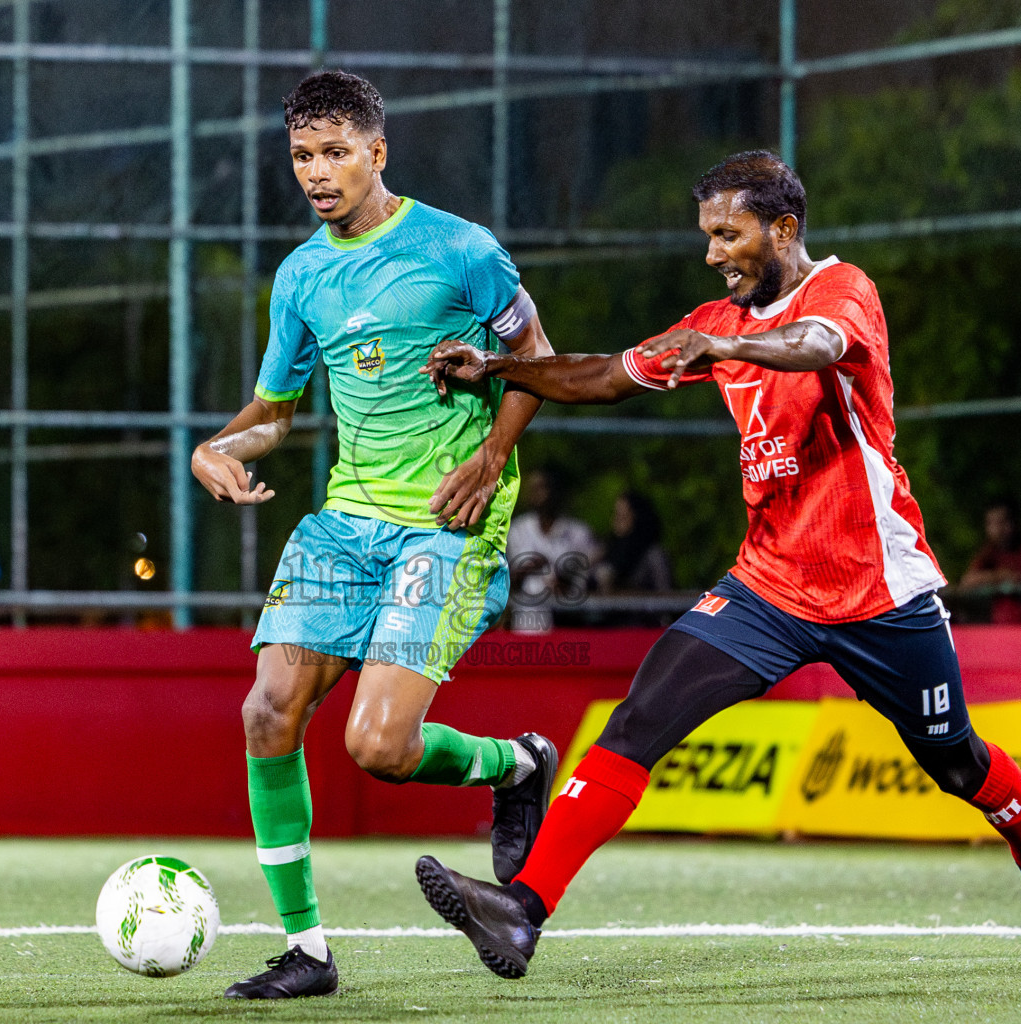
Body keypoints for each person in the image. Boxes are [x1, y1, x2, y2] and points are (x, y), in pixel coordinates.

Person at [416, 150, 1021, 978]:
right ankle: (523, 911)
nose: (712, 254)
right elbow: (598, 374)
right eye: (706, 237)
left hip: (879, 592)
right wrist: (499, 366)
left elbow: (814, 344)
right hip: (767, 587)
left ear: (784, 229)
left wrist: (728, 346)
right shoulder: (716, 323)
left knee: (953, 758)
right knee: (640, 718)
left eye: (727, 235)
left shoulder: (842, 292)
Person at [189, 70, 560, 1000]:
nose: (318, 173)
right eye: (303, 157)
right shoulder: (302, 274)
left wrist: (491, 459)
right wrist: (222, 445)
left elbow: (541, 364)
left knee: (380, 749)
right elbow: (276, 411)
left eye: (335, 153)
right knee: (267, 712)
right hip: (345, 522)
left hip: (446, 523)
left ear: (376, 152)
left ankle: (517, 764)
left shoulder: (460, 248)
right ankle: (307, 952)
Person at [506, 467, 598, 631]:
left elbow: (591, 580)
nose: (534, 494)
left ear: (556, 491)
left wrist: (565, 580)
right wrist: (526, 569)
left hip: (569, 627)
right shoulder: (517, 530)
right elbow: (505, 583)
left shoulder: (578, 533)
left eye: (540, 487)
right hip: (527, 627)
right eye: (531, 488)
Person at [959, 498, 1021, 624]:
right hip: (1002, 631)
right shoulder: (990, 551)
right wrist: (999, 576)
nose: (998, 530)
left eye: (1002, 522)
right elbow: (967, 581)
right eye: (992, 524)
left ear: (1015, 522)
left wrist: (1011, 577)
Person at [595, 490, 675, 624]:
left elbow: (666, 598)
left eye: (623, 516)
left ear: (638, 517)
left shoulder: (653, 555)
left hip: (644, 628)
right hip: (612, 628)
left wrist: (622, 592)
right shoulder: (608, 551)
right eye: (616, 515)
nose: (617, 521)